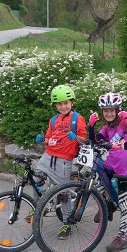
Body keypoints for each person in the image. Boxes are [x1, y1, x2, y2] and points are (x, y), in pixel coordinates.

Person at [88, 93, 127, 252]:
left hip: (126, 169)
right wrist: (90, 127)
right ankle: (107, 203)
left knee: (124, 206)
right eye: (105, 111)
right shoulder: (107, 127)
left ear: (118, 110)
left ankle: (122, 237)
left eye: (112, 111)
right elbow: (95, 141)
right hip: (111, 165)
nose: (109, 114)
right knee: (97, 173)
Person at [34, 85, 88, 240]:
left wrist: (76, 138)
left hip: (64, 160)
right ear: (56, 105)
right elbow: (49, 139)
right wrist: (42, 140)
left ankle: (67, 222)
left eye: (66, 103)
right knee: (37, 179)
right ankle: (40, 207)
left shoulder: (77, 118)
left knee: (63, 193)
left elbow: (84, 139)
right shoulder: (53, 120)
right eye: (59, 104)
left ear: (72, 102)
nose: (63, 106)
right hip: (48, 155)